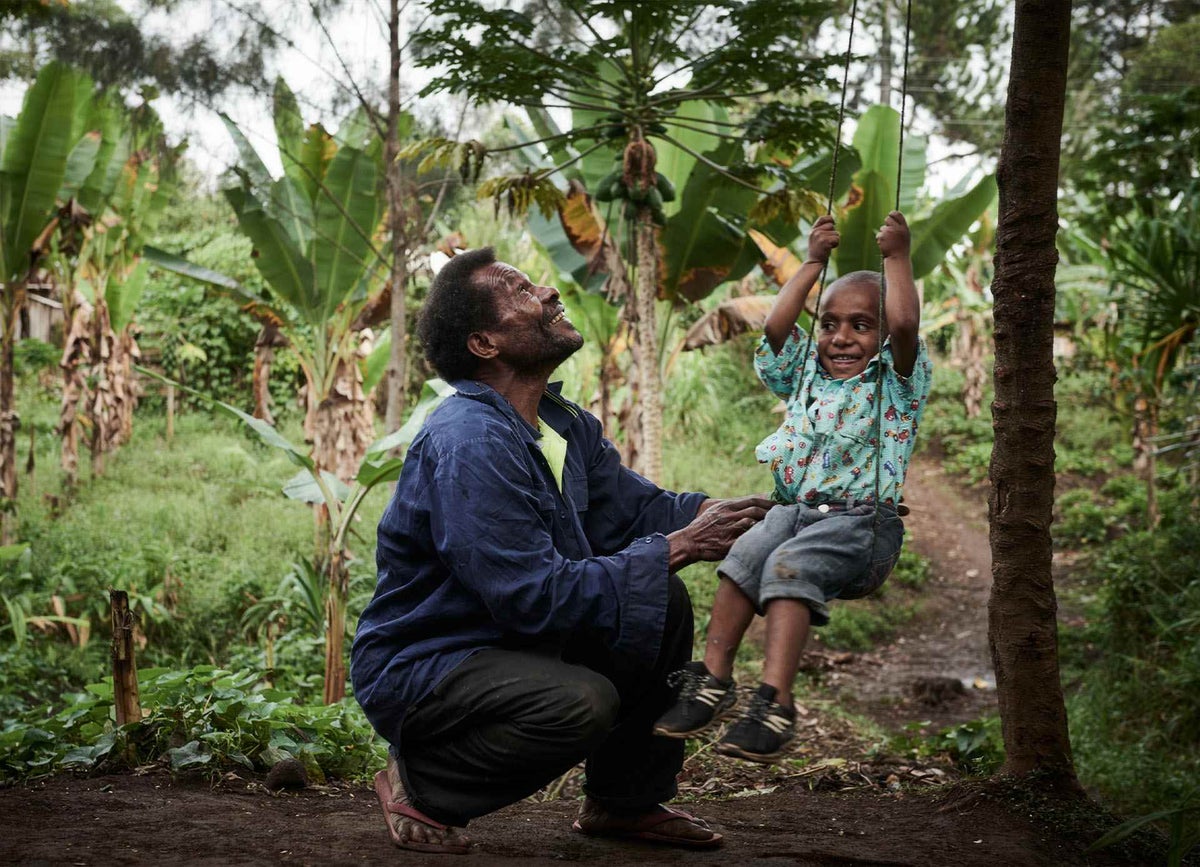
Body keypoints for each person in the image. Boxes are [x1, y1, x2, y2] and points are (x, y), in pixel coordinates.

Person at [350, 247, 773, 854]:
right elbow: (531, 596)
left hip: (513, 644)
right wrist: (674, 548)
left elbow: (641, 512)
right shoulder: (470, 440)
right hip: (433, 662)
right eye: (519, 290)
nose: (548, 292)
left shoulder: (560, 422)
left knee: (663, 602)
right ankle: (420, 785)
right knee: (581, 703)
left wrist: (765, 516)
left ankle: (621, 803)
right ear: (484, 344)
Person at [652, 211, 933, 763]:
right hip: (795, 510)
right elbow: (776, 329)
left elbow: (903, 327)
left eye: (860, 325)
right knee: (743, 560)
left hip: (861, 522)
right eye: (830, 324)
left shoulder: (896, 379)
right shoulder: (807, 371)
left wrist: (898, 258)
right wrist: (811, 263)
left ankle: (775, 704)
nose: (841, 337)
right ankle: (712, 681)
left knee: (788, 570)